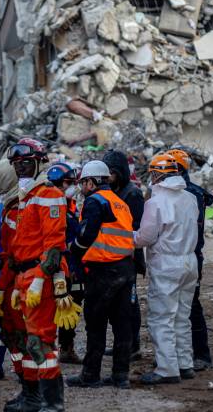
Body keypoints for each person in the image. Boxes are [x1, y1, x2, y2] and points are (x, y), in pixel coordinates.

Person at [8, 138, 79, 412]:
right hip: (25, 275)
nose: (20, 168)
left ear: (39, 163)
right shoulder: (27, 197)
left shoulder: (48, 195)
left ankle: (53, 403)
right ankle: (32, 397)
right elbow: (24, 244)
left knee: (40, 341)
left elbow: (53, 246)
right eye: (16, 163)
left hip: (40, 276)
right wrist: (17, 283)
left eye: (26, 162)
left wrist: (39, 279)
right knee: (28, 341)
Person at [65, 161, 135, 390]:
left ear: (91, 182)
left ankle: (90, 375)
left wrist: (72, 249)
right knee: (122, 324)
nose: (81, 188)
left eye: (83, 183)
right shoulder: (120, 202)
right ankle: (120, 375)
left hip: (103, 270)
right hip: (125, 269)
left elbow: (86, 235)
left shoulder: (95, 201)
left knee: (96, 324)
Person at [134, 153, 199, 385]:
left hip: (167, 265)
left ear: (156, 174)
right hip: (189, 262)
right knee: (182, 317)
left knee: (162, 318)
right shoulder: (190, 198)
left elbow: (145, 237)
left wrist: (127, 237)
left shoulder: (156, 202)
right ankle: (185, 364)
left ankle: (167, 369)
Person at [167, 148, 213, 371]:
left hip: (188, 255)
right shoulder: (190, 192)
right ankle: (180, 355)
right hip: (186, 256)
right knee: (179, 306)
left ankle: (201, 355)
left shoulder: (189, 194)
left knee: (190, 306)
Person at [0, 159, 30, 412]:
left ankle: (32, 387)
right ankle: (26, 382)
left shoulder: (11, 208)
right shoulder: (9, 206)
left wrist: (2, 286)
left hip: (14, 275)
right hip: (9, 274)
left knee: (20, 333)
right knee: (11, 332)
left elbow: (13, 252)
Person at [102, 150, 145, 361]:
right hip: (112, 256)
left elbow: (136, 229)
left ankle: (133, 345)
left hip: (128, 258)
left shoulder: (132, 194)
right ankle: (122, 343)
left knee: (129, 305)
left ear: (119, 172)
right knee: (116, 306)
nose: (108, 177)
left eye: (111, 173)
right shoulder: (113, 192)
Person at [46, 161, 84, 365]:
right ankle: (47, 347)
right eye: (68, 182)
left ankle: (66, 347)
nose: (72, 187)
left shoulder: (69, 205)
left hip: (73, 265)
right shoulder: (51, 206)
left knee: (71, 305)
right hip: (57, 265)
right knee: (53, 305)